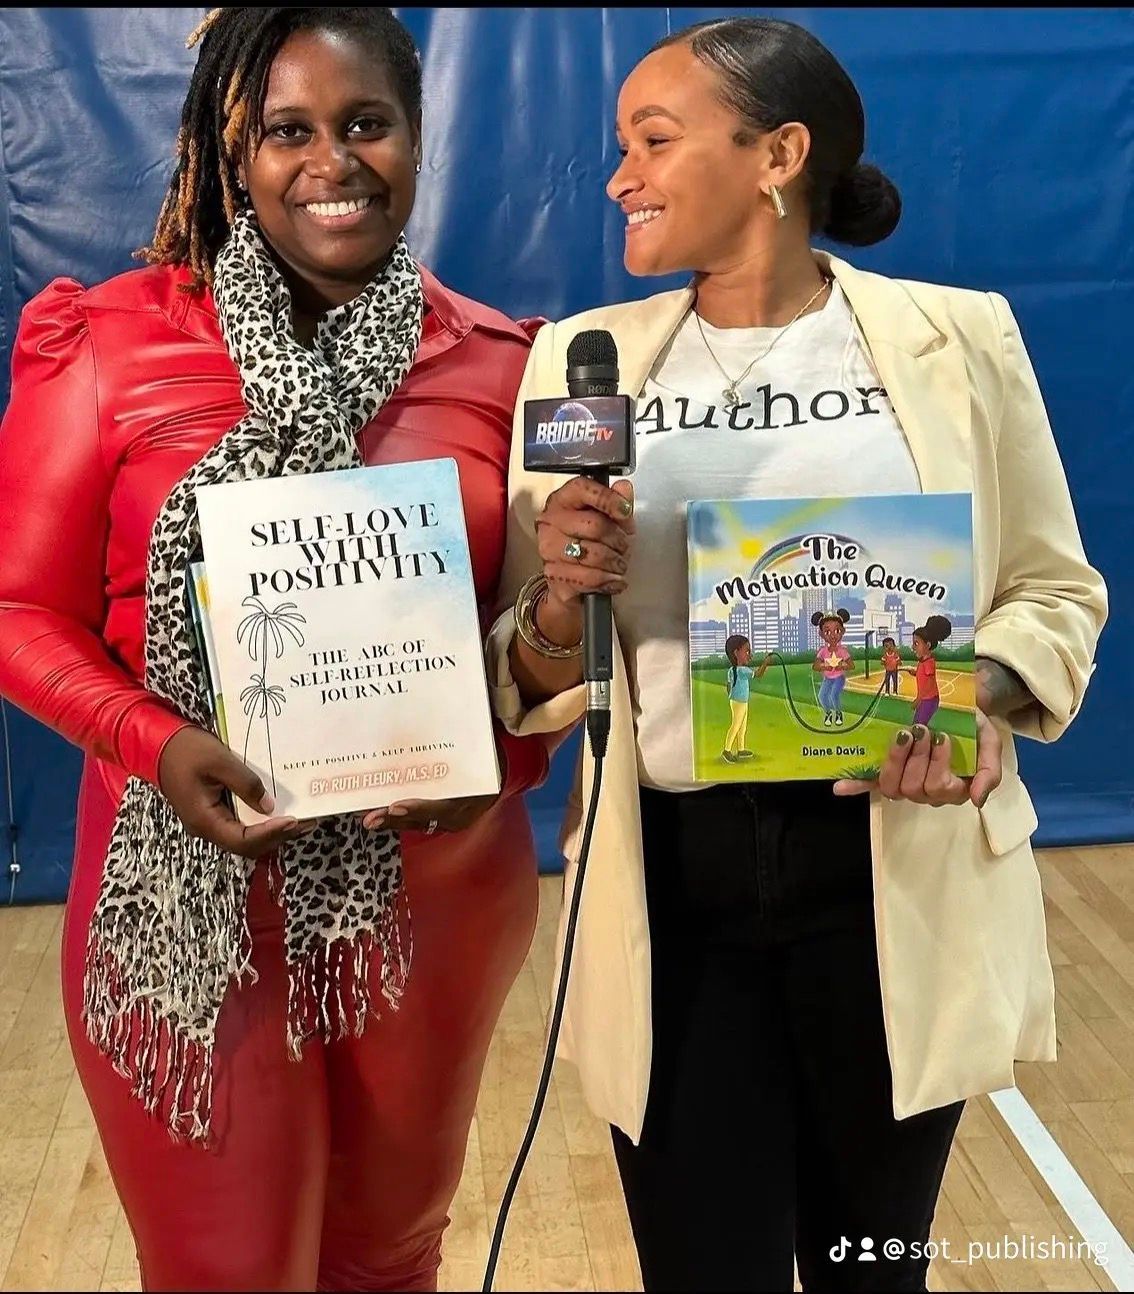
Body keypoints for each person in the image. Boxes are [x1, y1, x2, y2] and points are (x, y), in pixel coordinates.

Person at [485, 15, 1107, 1292]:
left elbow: (1055, 589)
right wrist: (559, 601)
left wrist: (969, 694)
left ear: (778, 155)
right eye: (620, 147)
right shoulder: (581, 361)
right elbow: (528, 667)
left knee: (870, 1267)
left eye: (652, 141)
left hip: (889, 874)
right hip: (670, 886)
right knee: (702, 1268)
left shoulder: (960, 338)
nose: (619, 177)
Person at [0, 8, 551, 1290]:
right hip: (184, 887)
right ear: (227, 149)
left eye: (366, 125)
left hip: (434, 894)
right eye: (287, 132)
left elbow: (534, 648)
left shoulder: (500, 365)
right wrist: (154, 737)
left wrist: (497, 757)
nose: (332, 162)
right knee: (226, 1269)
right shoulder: (112, 342)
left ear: (416, 137)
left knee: (391, 1256)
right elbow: (20, 611)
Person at [906, 615, 953, 728]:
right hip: (926, 700)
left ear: (928, 645)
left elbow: (927, 684)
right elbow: (924, 677)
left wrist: (918, 700)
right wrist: (915, 672)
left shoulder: (928, 663)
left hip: (929, 700)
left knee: (918, 726)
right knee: (917, 724)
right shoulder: (923, 661)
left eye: (916, 643)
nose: (913, 647)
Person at [811, 608, 854, 727]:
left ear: (842, 631)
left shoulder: (842, 651)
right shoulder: (823, 651)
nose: (833, 635)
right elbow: (815, 666)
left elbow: (851, 665)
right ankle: (828, 713)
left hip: (839, 678)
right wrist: (824, 665)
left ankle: (839, 714)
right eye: (827, 632)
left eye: (837, 630)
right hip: (828, 679)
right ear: (821, 634)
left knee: (834, 695)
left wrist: (842, 664)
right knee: (822, 696)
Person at [722, 633, 755, 761]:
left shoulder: (732, 670)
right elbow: (757, 674)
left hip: (737, 701)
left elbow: (728, 685)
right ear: (736, 653)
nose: (749, 655)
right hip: (740, 702)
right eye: (746, 651)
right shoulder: (743, 670)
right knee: (736, 725)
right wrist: (766, 663)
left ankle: (741, 749)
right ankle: (727, 750)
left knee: (742, 726)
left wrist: (731, 696)